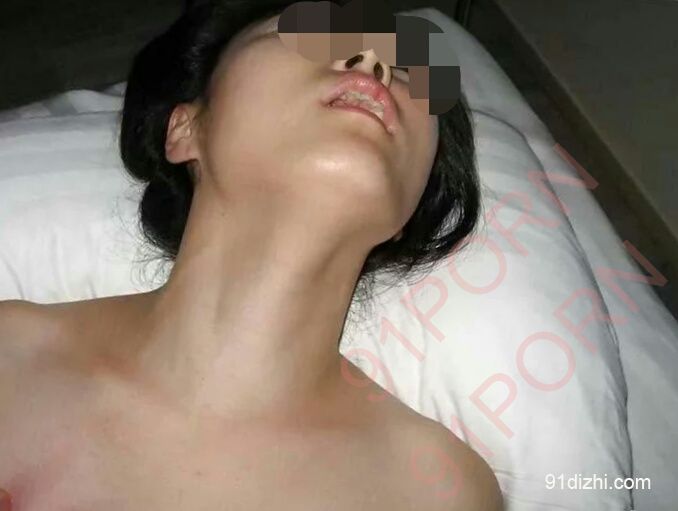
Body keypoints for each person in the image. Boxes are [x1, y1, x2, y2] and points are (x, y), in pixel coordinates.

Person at [0, 1, 502, 509]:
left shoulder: (435, 491)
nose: (373, 60)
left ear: (410, 211)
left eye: (410, 70)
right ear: (185, 129)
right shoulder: (9, 360)